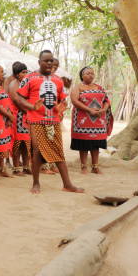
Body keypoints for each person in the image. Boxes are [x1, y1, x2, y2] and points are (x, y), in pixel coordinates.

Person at [16, 50, 83, 194]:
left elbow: (61, 99)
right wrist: (32, 107)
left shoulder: (58, 80)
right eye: (46, 61)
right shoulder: (30, 78)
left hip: (53, 121)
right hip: (35, 120)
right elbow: (19, 97)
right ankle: (36, 183)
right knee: (37, 150)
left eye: (51, 61)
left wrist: (60, 107)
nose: (49, 63)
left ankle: (67, 184)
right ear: (39, 62)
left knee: (58, 150)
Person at [70, 66, 112, 174]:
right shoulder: (78, 87)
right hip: (82, 120)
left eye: (92, 73)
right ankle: (84, 166)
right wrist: (89, 110)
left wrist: (104, 109)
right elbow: (74, 101)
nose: (90, 75)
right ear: (82, 76)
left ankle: (95, 167)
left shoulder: (99, 87)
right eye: (88, 73)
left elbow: (106, 100)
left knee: (96, 143)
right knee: (83, 143)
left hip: (98, 120)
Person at [8, 62, 31, 176]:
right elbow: (17, 101)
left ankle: (26, 167)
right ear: (17, 74)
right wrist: (28, 112)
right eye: (23, 72)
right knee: (17, 143)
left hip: (26, 116)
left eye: (26, 71)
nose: (26, 74)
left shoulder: (25, 83)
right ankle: (16, 168)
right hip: (17, 116)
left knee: (26, 143)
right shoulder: (13, 84)